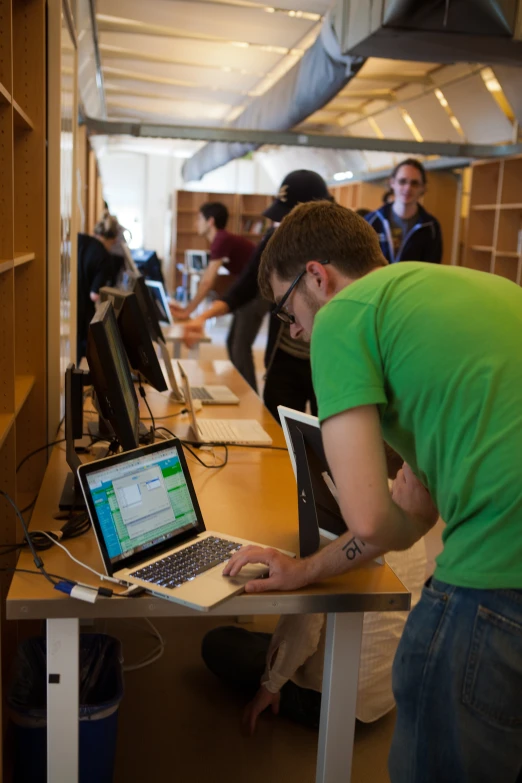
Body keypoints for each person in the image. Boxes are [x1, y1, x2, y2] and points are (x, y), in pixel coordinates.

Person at [223, 200, 522, 783]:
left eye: (288, 315)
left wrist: (373, 522)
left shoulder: (345, 316)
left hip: (498, 582)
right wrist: (303, 571)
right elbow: (408, 515)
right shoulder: (461, 292)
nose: (298, 333)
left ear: (317, 276)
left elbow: (369, 521)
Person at [202, 447, 428, 735]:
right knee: (259, 641)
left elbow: (307, 624)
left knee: (217, 641)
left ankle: (284, 689)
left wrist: (270, 685)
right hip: (387, 690)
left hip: (336, 701)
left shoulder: (355, 517)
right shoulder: (407, 506)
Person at [172, 170, 333, 412]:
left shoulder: (339, 245)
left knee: (327, 440)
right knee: (281, 432)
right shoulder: (274, 239)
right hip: (283, 358)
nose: (282, 224)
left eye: (289, 217)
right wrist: (202, 317)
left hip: (328, 360)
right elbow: (244, 287)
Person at [365, 158, 442, 264]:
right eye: (402, 181)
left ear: (423, 188)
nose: (408, 188)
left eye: (414, 183)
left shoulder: (431, 227)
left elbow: (432, 267)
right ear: (392, 183)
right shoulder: (371, 221)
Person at [76, 215, 120, 359]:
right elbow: (94, 295)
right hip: (83, 312)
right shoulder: (104, 257)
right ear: (112, 240)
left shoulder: (79, 239)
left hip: (68, 307)